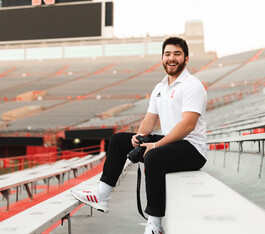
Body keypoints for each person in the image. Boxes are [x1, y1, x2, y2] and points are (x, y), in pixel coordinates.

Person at [71, 37, 207, 234]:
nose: (171, 58)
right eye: (167, 54)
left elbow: (188, 125)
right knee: (119, 140)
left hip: (192, 149)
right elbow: (150, 119)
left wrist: (155, 146)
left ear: (186, 59)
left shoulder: (192, 85)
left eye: (177, 54)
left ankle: (155, 225)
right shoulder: (160, 88)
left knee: (153, 156)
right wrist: (140, 136)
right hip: (171, 142)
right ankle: (102, 195)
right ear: (162, 58)